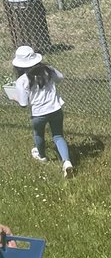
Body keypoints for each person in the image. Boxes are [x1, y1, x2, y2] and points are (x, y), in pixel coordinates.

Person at [10, 46, 73, 177]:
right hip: (56, 109)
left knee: (38, 134)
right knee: (58, 136)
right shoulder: (48, 70)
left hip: (38, 114)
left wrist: (14, 97)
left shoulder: (22, 81)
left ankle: (42, 156)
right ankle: (67, 162)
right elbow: (60, 78)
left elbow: (23, 103)